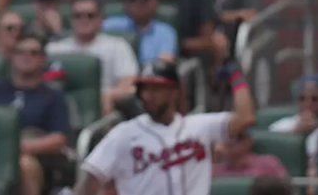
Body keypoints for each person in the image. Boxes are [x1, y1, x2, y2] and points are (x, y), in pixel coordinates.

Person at [78, 58, 256, 195]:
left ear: (174, 92)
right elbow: (89, 180)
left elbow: (245, 118)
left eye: (156, 89)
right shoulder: (124, 134)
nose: (148, 96)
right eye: (145, 90)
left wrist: (237, 77)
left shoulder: (199, 126)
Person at [0, 30, 71, 195]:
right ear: (12, 56)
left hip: (34, 157)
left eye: (34, 53)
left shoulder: (53, 96)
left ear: (43, 60)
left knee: (24, 164)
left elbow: (59, 139)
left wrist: (17, 147)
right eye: (21, 52)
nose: (27, 56)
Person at [47, 0, 138, 114]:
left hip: (106, 107)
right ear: (71, 20)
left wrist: (109, 96)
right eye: (78, 16)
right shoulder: (54, 49)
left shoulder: (117, 45)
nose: (84, 20)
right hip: (62, 108)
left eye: (90, 15)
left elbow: (129, 81)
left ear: (101, 19)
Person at [102, 0, 179, 65]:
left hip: (149, 75)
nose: (139, 1)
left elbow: (165, 61)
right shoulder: (111, 25)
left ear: (156, 2)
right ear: (125, 4)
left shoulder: (166, 32)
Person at [268, 74, 318, 156]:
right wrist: (296, 132)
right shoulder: (279, 127)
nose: (308, 103)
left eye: (314, 99)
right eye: (302, 98)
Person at [212, 128, 288, 180]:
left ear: (249, 141)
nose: (230, 142)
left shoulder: (269, 163)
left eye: (237, 138)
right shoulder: (216, 171)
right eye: (226, 139)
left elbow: (285, 191)